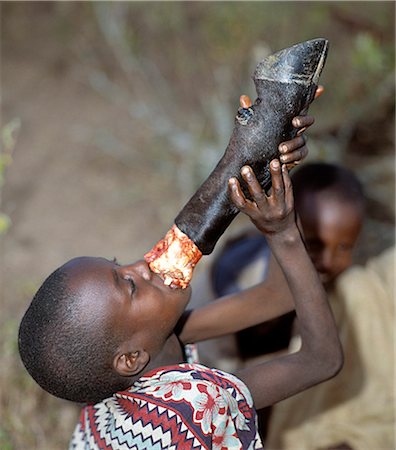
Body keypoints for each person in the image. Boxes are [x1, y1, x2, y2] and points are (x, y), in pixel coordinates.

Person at [18, 130, 344, 449]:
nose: (142, 264)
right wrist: (283, 232)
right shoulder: (193, 407)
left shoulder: (129, 366)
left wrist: (279, 178)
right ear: (131, 358)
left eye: (119, 264)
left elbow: (277, 296)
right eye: (129, 286)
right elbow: (322, 359)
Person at [193, 162, 394, 449]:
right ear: (281, 224)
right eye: (314, 244)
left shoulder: (340, 286)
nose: (328, 261)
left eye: (344, 248)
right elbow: (215, 370)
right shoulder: (234, 280)